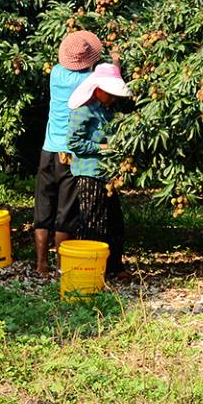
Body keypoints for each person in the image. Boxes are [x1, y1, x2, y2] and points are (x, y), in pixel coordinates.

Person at [34, 30, 101, 275]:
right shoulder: (89, 80)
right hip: (70, 153)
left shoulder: (55, 73)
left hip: (48, 150)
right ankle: (62, 265)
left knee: (43, 207)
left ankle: (41, 264)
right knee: (66, 209)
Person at [65, 61, 132, 278]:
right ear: (98, 89)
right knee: (92, 222)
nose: (113, 98)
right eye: (109, 93)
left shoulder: (105, 109)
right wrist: (102, 147)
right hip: (90, 173)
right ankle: (88, 272)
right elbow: (73, 143)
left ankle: (113, 267)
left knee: (114, 223)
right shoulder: (83, 110)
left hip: (105, 174)